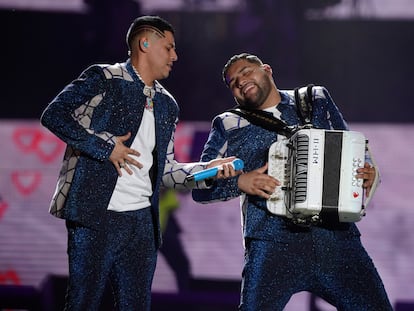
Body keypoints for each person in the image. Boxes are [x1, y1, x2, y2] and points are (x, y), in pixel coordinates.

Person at [40, 15, 236, 311]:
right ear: (145, 43)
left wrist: (210, 170)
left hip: (142, 224)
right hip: (95, 216)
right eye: (169, 47)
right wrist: (105, 147)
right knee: (83, 303)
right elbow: (54, 115)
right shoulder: (104, 78)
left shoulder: (168, 104)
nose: (175, 56)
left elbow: (168, 171)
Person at [192, 53, 392, 311]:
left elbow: (354, 147)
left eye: (246, 72)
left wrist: (370, 172)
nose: (241, 81)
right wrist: (240, 182)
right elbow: (199, 186)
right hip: (272, 247)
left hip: (335, 241)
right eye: (233, 83)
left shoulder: (315, 98)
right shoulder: (228, 123)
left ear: (267, 69)